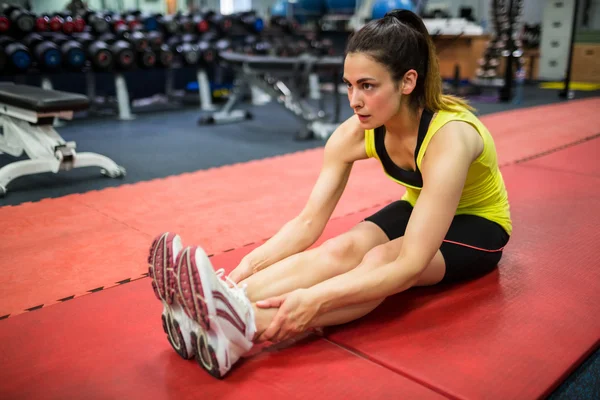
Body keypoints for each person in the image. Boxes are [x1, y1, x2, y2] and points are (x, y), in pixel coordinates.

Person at [148, 9, 512, 379]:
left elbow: (408, 266)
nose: (354, 100)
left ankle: (245, 327)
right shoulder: (354, 133)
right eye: (349, 85)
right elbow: (307, 223)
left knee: (382, 258)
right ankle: (221, 306)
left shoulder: (449, 138)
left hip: (479, 226)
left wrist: (318, 298)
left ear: (407, 82)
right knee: (341, 249)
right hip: (421, 205)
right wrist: (237, 278)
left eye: (368, 86)